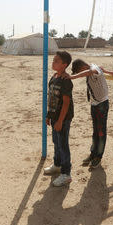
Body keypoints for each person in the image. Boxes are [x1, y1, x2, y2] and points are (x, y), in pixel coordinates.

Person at [69, 59, 109, 169]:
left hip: (101, 104)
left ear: (83, 67)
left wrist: (72, 77)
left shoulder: (93, 69)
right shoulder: (90, 69)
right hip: (94, 104)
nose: (80, 75)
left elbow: (91, 72)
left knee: (101, 132)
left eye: (79, 72)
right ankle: (93, 153)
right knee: (95, 131)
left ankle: (98, 157)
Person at [43, 51, 75, 187]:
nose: (53, 62)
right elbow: (51, 98)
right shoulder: (54, 77)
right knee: (56, 141)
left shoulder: (66, 81)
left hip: (63, 118)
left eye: (56, 61)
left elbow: (66, 103)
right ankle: (57, 165)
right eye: (53, 60)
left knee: (63, 144)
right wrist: (48, 115)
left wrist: (61, 121)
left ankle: (66, 173)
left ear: (64, 65)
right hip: (54, 116)